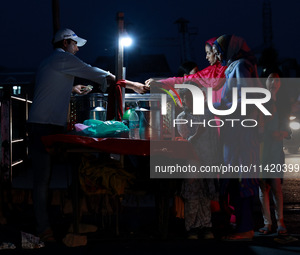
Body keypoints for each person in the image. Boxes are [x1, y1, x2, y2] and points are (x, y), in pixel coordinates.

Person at [27, 28, 149, 245]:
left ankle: (62, 221)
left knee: (46, 177)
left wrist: (73, 89)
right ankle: (44, 229)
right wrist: (132, 85)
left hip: (44, 124)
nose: (77, 49)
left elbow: (49, 85)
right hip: (43, 126)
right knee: (42, 180)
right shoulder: (63, 58)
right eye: (75, 45)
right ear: (65, 43)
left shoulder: (49, 62)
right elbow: (96, 72)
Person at [212, 34, 262, 241]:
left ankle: (246, 228)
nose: (216, 54)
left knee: (241, 180)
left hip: (240, 133)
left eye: (218, 49)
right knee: (237, 179)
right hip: (236, 131)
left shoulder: (240, 66)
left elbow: (246, 98)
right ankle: (244, 225)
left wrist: (219, 107)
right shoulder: (235, 65)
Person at [176, 88, 222, 240]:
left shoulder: (207, 115)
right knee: (192, 196)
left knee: (205, 196)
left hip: (208, 160)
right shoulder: (182, 117)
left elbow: (215, 140)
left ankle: (206, 226)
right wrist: (198, 134)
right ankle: (192, 228)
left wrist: (216, 160)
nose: (189, 101)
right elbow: (185, 142)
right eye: (186, 98)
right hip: (193, 161)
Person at [145, 37, 227, 104]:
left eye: (209, 53)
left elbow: (183, 80)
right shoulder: (211, 72)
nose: (206, 57)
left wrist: (159, 82)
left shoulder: (231, 69)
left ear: (218, 51)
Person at [258, 68, 290, 236]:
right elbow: (255, 125)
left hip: (276, 149)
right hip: (262, 148)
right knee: (263, 188)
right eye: (271, 79)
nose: (274, 82)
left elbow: (288, 130)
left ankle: (280, 221)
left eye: (277, 79)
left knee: (276, 186)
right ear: (266, 82)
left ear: (280, 83)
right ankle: (267, 222)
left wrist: (282, 133)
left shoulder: (284, 103)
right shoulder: (260, 101)